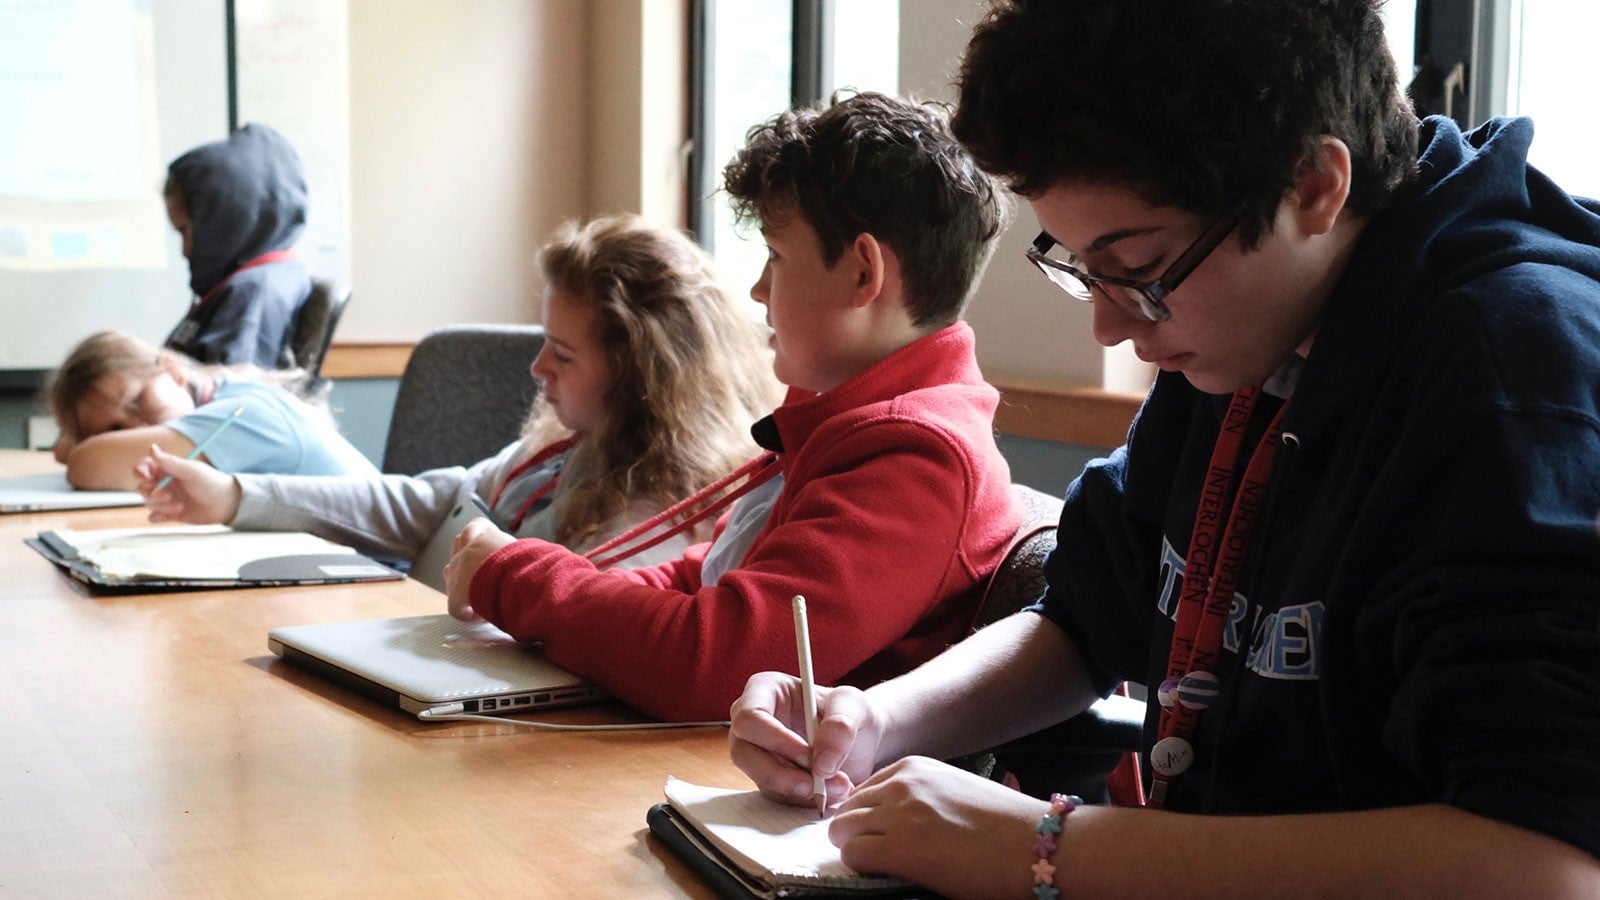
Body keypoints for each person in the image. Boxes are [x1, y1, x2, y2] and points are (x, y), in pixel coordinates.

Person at [727, 2, 1600, 897]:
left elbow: (1547, 865)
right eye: (1084, 269)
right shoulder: (1246, 325)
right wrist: (874, 720)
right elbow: (1083, 620)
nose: (1111, 327)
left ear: (1312, 186)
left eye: (1138, 267)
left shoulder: (1516, 377)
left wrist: (1043, 848)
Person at [443, 92, 1024, 723]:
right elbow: (712, 578)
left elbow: (714, 663)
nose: (757, 289)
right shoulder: (850, 423)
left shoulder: (918, 458)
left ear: (863, 273)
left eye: (776, 256)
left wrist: (515, 577)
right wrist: (549, 593)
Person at [137, 214, 780, 570]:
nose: (538, 369)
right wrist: (234, 495)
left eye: (563, 355)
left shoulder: (660, 519)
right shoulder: (562, 451)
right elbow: (432, 501)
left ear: (641, 374)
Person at [48, 330, 376, 491]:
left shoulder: (242, 413)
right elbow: (64, 449)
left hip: (383, 575)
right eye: (116, 430)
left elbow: (86, 463)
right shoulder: (220, 391)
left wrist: (93, 442)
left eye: (137, 400)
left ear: (171, 369)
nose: (138, 429)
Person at [163, 123, 312, 369]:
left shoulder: (254, 292)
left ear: (224, 220)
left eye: (186, 232)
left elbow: (229, 383)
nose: (185, 251)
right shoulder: (252, 281)